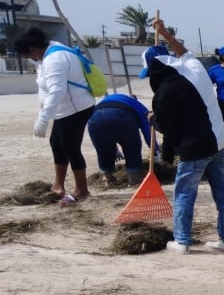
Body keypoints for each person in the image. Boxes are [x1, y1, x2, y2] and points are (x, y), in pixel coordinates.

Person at [141, 17, 224, 254]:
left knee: (185, 192)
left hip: (195, 148)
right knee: (223, 192)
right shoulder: (194, 67)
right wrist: (165, 33)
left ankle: (182, 241)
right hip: (220, 142)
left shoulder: (164, 92)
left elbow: (169, 128)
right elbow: (183, 51)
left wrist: (154, 120)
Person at [14, 27, 95, 204]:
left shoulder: (54, 59)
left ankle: (82, 190)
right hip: (64, 109)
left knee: (70, 147)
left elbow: (57, 91)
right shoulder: (49, 52)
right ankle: (58, 185)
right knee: (56, 143)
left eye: (28, 55)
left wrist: (43, 118)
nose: (30, 59)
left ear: (33, 49)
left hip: (75, 108)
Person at [86, 93, 152, 186]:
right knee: (132, 146)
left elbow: (108, 120)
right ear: (135, 99)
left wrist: (115, 150)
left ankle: (107, 177)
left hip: (95, 119)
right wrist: (155, 151)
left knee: (103, 149)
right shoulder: (137, 105)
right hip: (123, 117)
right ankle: (134, 176)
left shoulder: (107, 100)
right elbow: (147, 128)